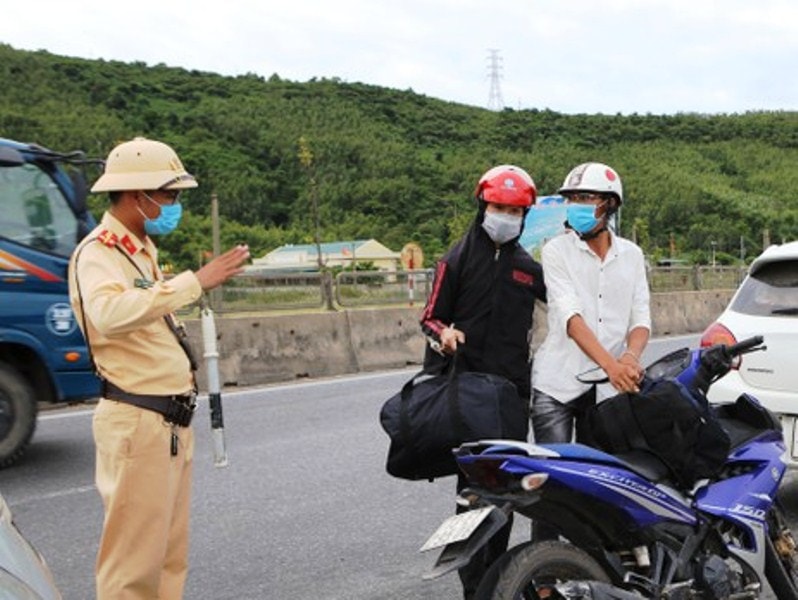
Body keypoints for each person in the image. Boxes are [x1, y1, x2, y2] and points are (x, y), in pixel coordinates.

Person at [68, 137, 250, 599]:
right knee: (132, 564)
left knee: (167, 556)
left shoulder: (138, 250)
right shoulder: (99, 252)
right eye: (169, 195)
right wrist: (193, 283)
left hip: (166, 423)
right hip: (137, 420)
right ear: (137, 195)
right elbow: (107, 315)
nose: (175, 205)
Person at [420, 164, 546, 599]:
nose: (505, 216)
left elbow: (569, 310)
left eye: (514, 210)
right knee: (472, 492)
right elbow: (430, 316)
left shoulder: (529, 268)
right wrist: (446, 334)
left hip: (512, 395)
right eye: (498, 207)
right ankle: (473, 587)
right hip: (469, 392)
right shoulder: (456, 259)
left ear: (525, 215)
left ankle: (498, 581)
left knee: (507, 491)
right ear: (482, 206)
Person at [530, 162, 651, 537]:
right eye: (572, 199)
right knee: (551, 489)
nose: (576, 206)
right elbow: (570, 317)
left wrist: (629, 358)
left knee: (599, 488)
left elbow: (641, 319)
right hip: (557, 386)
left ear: (609, 205)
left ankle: (588, 570)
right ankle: (542, 580)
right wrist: (613, 366)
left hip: (604, 392)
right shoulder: (555, 252)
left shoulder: (631, 255)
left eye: (586, 198)